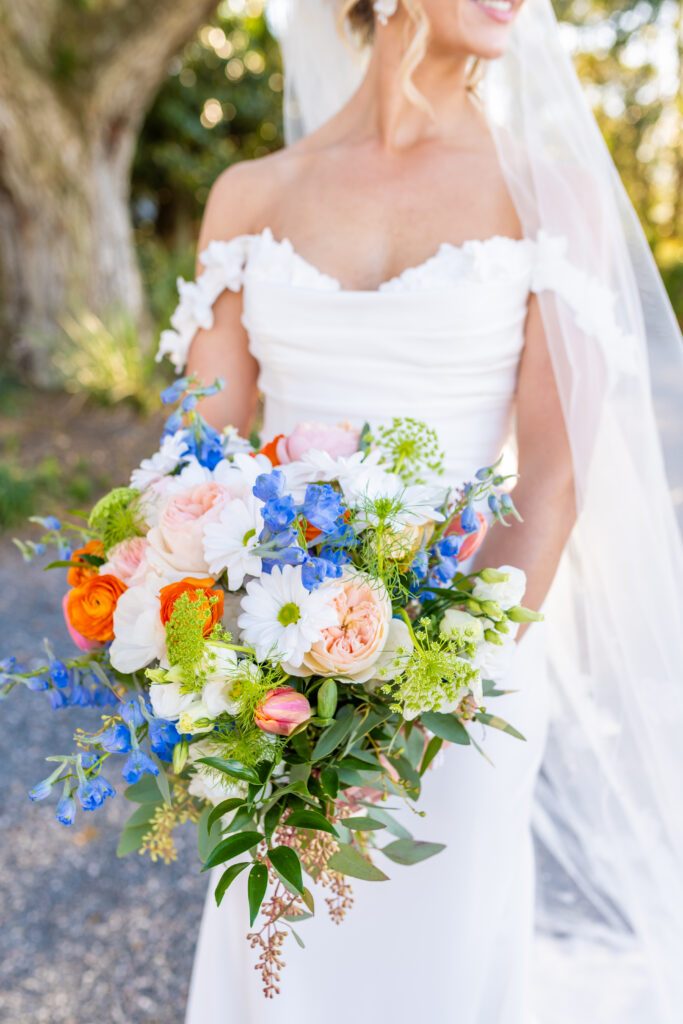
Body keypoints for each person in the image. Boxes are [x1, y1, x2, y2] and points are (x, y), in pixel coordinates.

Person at [154, 0, 683, 1020]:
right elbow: (200, 460)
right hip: (275, 665)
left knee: (439, 961)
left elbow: (548, 485)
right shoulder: (251, 194)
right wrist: (229, 659)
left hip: (470, 678)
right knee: (280, 958)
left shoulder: (548, 196)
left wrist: (421, 704)